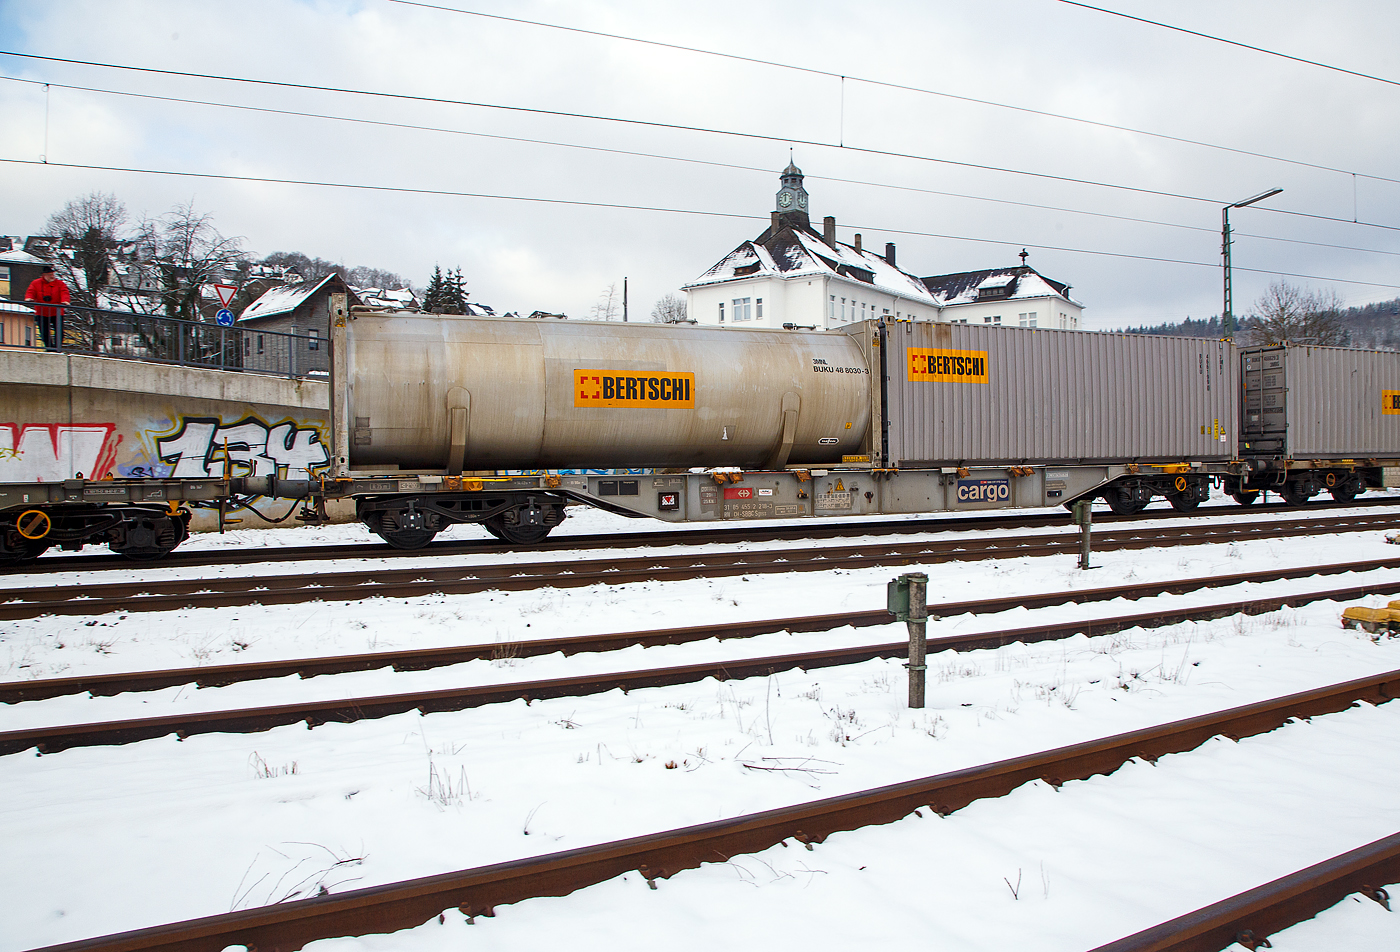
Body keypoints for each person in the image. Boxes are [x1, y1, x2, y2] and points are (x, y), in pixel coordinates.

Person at [25, 265, 70, 349]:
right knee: (44, 332)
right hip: (42, 312)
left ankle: (57, 348)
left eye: (53, 274)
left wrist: (65, 301)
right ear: (44, 275)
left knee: (59, 331)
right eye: (50, 274)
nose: (52, 276)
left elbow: (64, 292)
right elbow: (31, 291)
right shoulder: (35, 283)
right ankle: (49, 348)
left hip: (56, 311)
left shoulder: (60, 284)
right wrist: (29, 298)